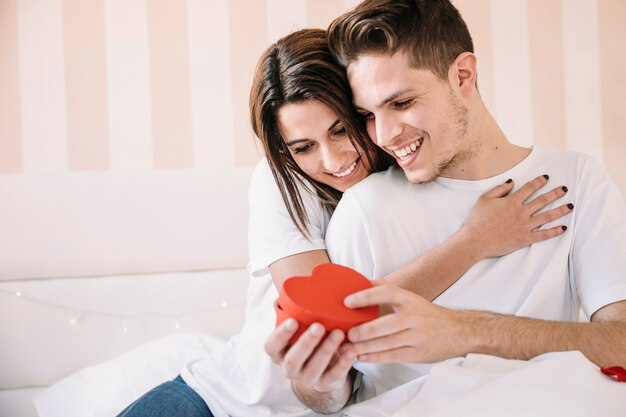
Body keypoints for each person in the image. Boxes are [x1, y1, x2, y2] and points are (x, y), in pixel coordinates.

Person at [117, 29, 570, 417]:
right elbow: (325, 317)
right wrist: (476, 240)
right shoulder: (282, 184)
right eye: (302, 146)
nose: (333, 160)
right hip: (224, 403)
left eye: (339, 129)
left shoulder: (411, 172)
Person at [265, 1, 626, 414]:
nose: (384, 135)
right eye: (367, 114)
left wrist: (463, 331)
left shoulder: (574, 179)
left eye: (400, 103)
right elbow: (332, 393)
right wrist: (317, 381)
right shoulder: (363, 210)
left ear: (463, 75)